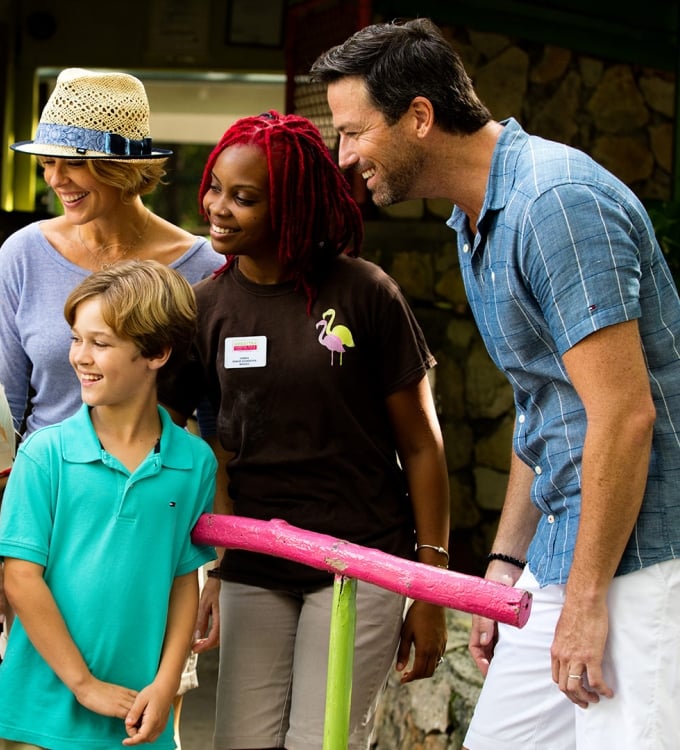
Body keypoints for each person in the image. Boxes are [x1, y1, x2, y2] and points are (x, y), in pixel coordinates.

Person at [311, 17, 680, 749]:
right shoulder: (476, 219)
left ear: (419, 116)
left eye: (354, 132)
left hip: (642, 558)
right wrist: (505, 568)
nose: (345, 157)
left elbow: (625, 414)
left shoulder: (555, 205)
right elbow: (541, 407)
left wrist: (585, 599)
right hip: (564, 547)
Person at [0, 67, 221, 744]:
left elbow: (209, 419)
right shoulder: (23, 255)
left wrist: (217, 573)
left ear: (126, 168)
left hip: (154, 525)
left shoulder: (201, 269)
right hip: (43, 524)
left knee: (144, 723)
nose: (56, 179)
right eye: (50, 162)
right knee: (47, 724)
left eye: (74, 162)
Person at [189, 111, 450, 750]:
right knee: (240, 743)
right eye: (215, 187)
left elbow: (421, 444)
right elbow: (207, 444)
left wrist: (430, 586)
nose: (218, 208)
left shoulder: (365, 294)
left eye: (243, 197)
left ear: (294, 207)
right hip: (256, 560)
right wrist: (216, 569)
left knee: (323, 742)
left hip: (359, 564)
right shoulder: (205, 308)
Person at [0, 260, 217, 749]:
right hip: (39, 717)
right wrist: (84, 686)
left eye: (100, 343)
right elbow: (21, 578)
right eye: (75, 339)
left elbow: (182, 580)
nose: (79, 357)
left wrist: (166, 685)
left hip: (137, 716)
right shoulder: (45, 455)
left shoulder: (194, 462)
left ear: (157, 353)